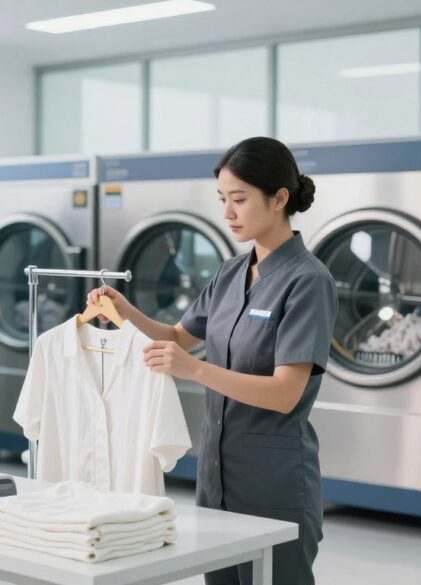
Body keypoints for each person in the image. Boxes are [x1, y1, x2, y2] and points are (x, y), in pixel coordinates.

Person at [87, 137, 337, 584]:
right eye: (223, 199)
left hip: (274, 481)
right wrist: (126, 312)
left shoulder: (308, 281)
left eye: (239, 200)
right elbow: (179, 337)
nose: (228, 213)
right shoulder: (229, 272)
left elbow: (285, 394)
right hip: (217, 476)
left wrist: (194, 369)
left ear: (279, 198)